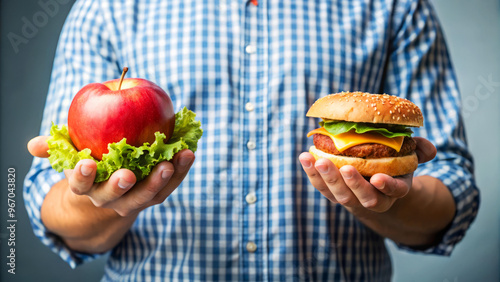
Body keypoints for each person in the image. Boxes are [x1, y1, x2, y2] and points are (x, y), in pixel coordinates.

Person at [24, 0, 479, 280]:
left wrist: (391, 204)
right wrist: (102, 199)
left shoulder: (394, 5)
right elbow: (50, 202)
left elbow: (452, 187)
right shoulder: (107, 7)